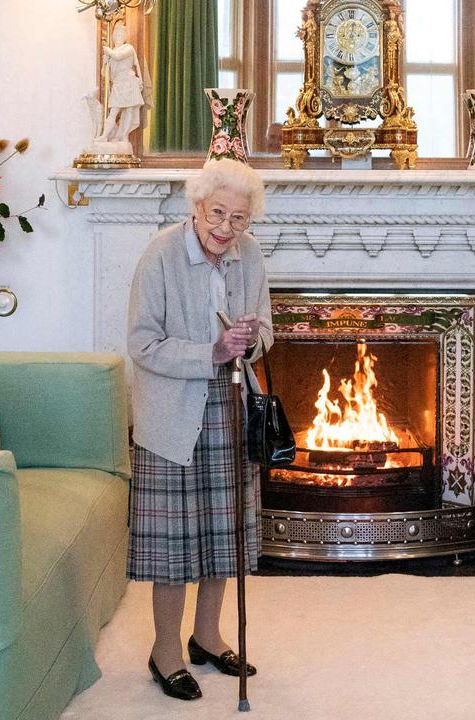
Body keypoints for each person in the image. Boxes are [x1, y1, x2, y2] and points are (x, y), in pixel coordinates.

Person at [126, 159, 272, 703]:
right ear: (196, 206)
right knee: (175, 543)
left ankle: (206, 637)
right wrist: (210, 351)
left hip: (230, 405)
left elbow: (267, 331)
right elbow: (141, 344)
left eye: (238, 217)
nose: (226, 228)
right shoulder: (162, 253)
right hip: (171, 412)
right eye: (217, 214)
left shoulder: (249, 253)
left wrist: (249, 340)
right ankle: (165, 651)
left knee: (222, 532)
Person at [96, 21, 150, 143]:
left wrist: (108, 51)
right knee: (114, 111)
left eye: (120, 35)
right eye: (116, 35)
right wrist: (105, 63)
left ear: (124, 37)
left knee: (130, 110)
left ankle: (124, 136)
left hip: (129, 82)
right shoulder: (112, 52)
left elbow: (118, 56)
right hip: (118, 84)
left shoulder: (128, 48)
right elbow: (105, 75)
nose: (118, 37)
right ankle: (104, 135)